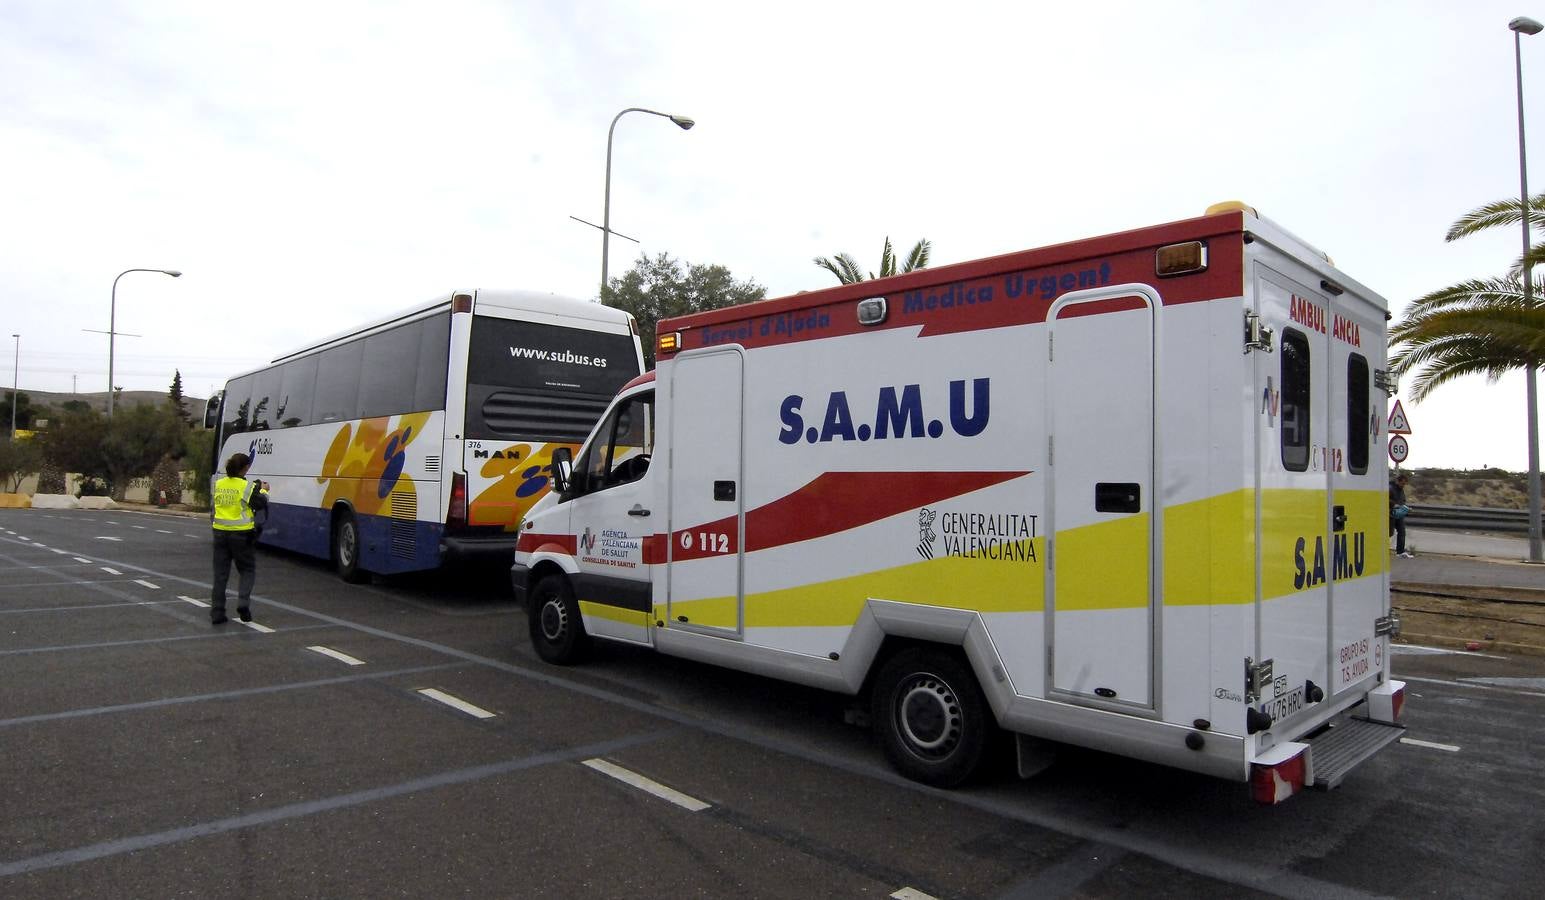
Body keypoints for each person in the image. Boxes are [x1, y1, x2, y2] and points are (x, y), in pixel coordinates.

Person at [211, 452, 269, 624]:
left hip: (220, 533)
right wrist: (264, 490)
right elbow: (260, 503)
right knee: (247, 570)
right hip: (241, 535)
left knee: (220, 575)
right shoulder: (247, 487)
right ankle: (243, 603)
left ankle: (217, 613)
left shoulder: (219, 483)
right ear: (245, 468)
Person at [1389, 473, 1412, 559]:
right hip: (1390, 514)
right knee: (1388, 533)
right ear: (1398, 481)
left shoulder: (1401, 490)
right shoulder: (1390, 488)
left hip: (1399, 514)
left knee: (1402, 532)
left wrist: (1406, 508)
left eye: (1404, 484)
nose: (1403, 485)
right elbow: (1384, 499)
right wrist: (1394, 504)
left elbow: (1402, 500)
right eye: (1402, 483)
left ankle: (1400, 552)